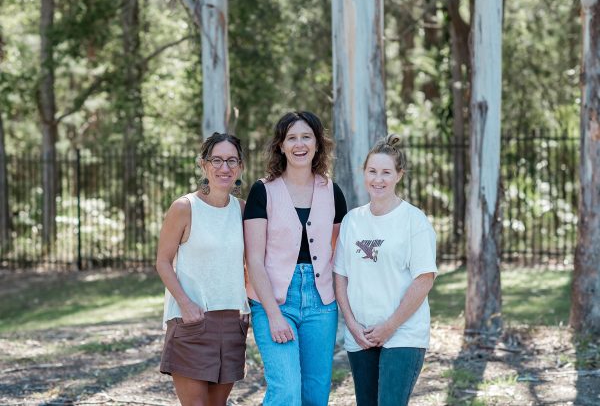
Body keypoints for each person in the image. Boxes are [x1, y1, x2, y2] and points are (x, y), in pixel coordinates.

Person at [244, 111, 347, 406]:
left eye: (306, 137)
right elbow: (254, 258)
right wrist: (274, 315)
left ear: (317, 144)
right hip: (275, 301)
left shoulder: (333, 192)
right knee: (286, 392)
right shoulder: (263, 191)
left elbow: (339, 253)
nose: (299, 144)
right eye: (291, 138)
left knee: (315, 396)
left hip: (321, 304)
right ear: (281, 145)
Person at [333, 134, 437, 406]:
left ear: (399, 176)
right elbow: (340, 276)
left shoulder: (414, 221)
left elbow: (424, 280)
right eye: (372, 171)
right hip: (361, 335)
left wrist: (389, 326)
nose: (378, 179)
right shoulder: (352, 221)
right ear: (364, 173)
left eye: (386, 172)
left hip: (402, 334)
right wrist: (352, 326)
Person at [156, 132, 249, 406]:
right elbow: (162, 261)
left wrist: (246, 307)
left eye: (232, 161)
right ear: (203, 165)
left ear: (240, 167)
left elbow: (249, 263)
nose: (224, 168)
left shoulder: (243, 210)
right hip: (192, 321)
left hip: (232, 322)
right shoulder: (185, 207)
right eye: (216, 160)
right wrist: (185, 304)